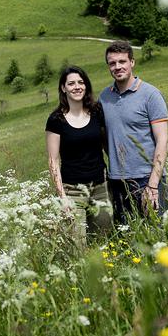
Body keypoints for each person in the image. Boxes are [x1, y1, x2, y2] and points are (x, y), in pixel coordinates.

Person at [99, 40, 168, 222]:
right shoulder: (104, 98)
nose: (117, 67)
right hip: (118, 181)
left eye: (122, 61)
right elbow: (104, 137)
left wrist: (153, 185)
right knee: (127, 239)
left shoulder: (151, 95)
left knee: (157, 235)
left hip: (147, 179)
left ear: (132, 62)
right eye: (112, 63)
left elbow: (163, 140)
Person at [46, 66, 113, 249]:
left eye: (81, 82)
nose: (77, 87)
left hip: (101, 187)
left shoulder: (97, 112)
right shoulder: (56, 120)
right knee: (77, 247)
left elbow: (106, 146)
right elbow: (53, 161)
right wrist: (63, 197)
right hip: (72, 191)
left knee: (103, 242)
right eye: (71, 83)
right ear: (63, 88)